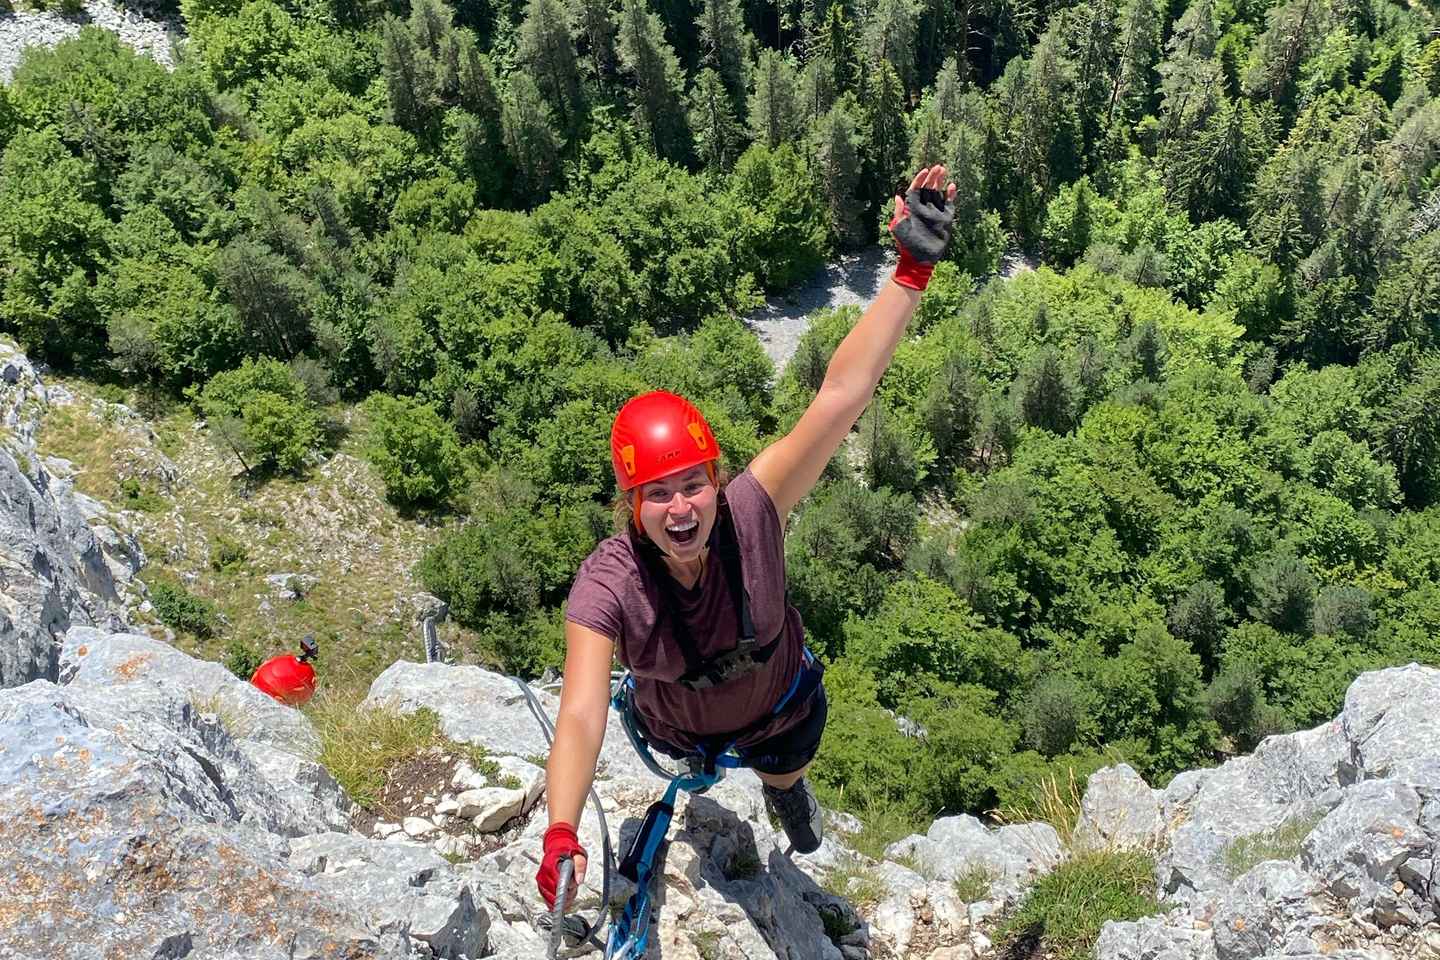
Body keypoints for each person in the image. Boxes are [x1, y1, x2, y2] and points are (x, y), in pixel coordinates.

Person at [536, 165, 957, 911]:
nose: (681, 508)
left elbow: (841, 397)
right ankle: (769, 783)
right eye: (657, 494)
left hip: (781, 712)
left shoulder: (755, 507)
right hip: (679, 733)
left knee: (785, 768)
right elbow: (579, 712)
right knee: (716, 744)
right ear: (630, 504)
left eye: (692, 483)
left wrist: (910, 272)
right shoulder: (609, 587)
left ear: (716, 476)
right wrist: (561, 831)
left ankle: (786, 794)